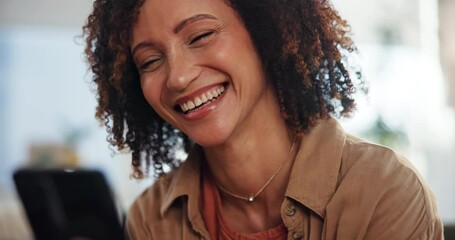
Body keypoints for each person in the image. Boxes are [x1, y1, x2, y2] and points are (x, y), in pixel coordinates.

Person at [83, 0, 443, 239]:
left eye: (201, 35)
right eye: (149, 61)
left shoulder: (384, 193)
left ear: (268, 31)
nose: (177, 77)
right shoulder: (152, 219)